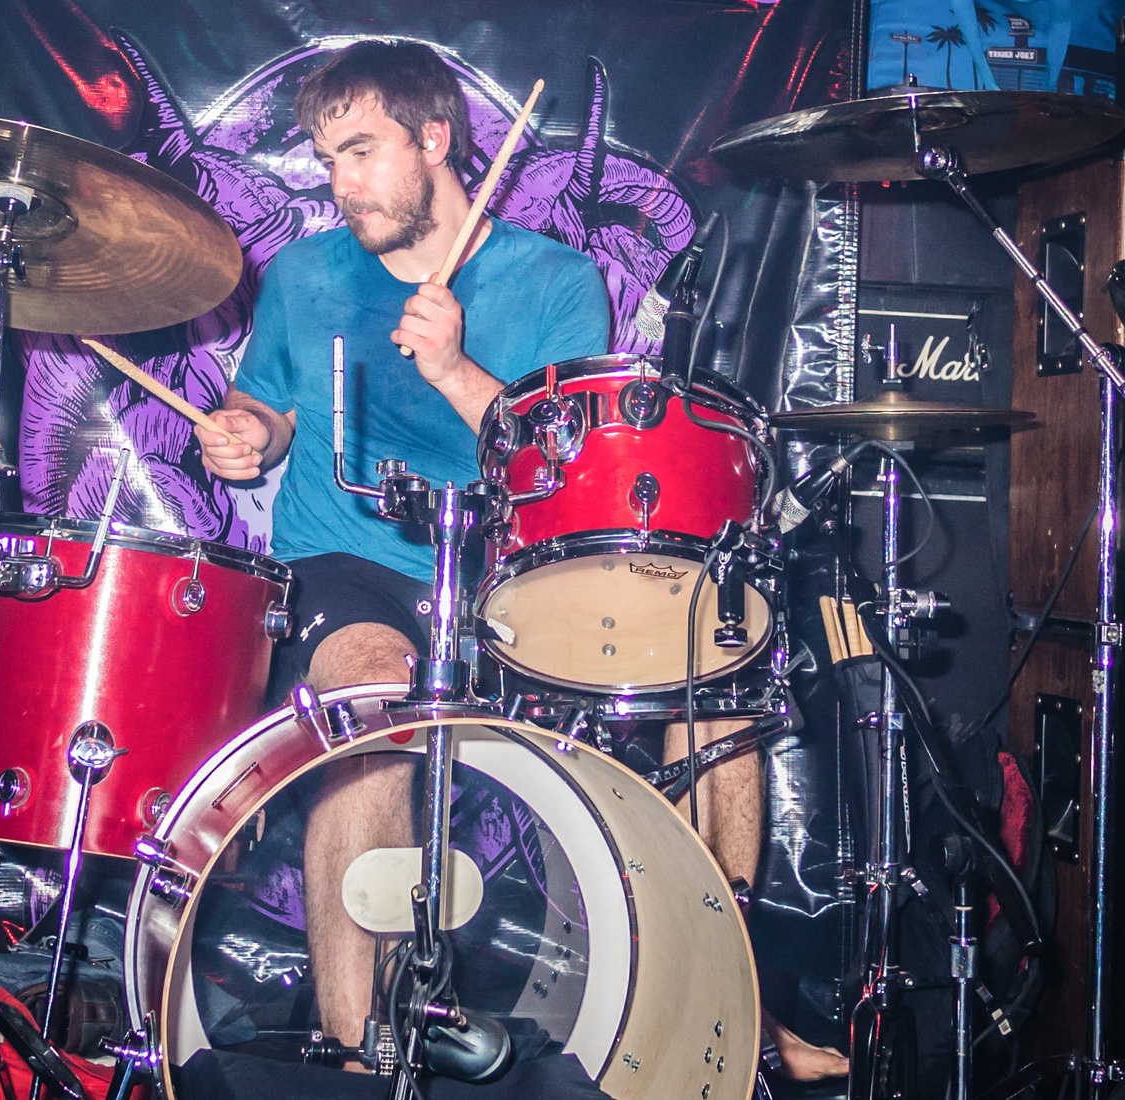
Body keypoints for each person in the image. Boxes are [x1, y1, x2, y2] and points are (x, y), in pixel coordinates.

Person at [196, 37, 844, 1083]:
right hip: (348, 560)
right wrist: (244, 434)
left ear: (434, 139)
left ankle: (738, 1013)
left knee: (714, 692)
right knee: (370, 688)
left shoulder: (556, 279)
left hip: (504, 575)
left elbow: (564, 465)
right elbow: (264, 409)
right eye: (326, 158)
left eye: (360, 152)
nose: (339, 183)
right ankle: (359, 1055)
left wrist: (456, 370)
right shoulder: (304, 275)